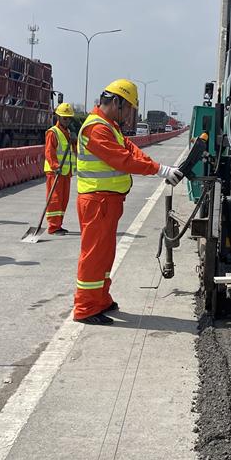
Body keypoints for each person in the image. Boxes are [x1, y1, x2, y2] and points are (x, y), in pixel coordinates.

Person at [73, 80, 184, 324]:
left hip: (107, 202)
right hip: (97, 200)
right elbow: (122, 159)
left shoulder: (108, 126)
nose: (129, 115)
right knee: (93, 256)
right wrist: (159, 170)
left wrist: (160, 167)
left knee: (104, 255)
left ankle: (100, 299)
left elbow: (131, 150)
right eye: (129, 109)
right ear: (116, 102)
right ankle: (85, 307)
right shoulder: (97, 128)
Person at [43, 102, 76, 235]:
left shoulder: (67, 132)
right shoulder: (53, 132)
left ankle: (59, 224)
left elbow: (72, 151)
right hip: (55, 172)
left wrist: (74, 141)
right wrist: (55, 166)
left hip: (66, 172)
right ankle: (53, 226)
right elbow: (49, 152)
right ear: (58, 117)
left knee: (63, 200)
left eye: (69, 118)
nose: (67, 121)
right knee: (55, 199)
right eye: (64, 118)